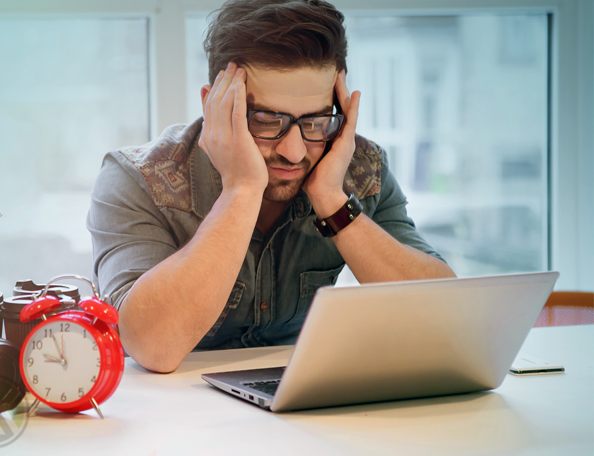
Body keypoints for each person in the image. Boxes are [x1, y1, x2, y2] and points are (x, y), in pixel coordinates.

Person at [87, 0, 455, 373]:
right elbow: (151, 345)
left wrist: (332, 201)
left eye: (316, 121)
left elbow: (447, 318)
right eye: (266, 119)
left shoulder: (360, 170)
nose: (294, 152)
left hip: (299, 411)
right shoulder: (137, 179)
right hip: (174, 420)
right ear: (213, 104)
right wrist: (241, 190)